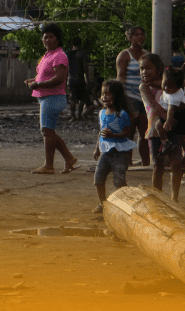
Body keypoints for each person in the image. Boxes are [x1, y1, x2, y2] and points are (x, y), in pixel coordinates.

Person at [27, 23, 79, 174]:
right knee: (49, 131)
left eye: (51, 37)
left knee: (47, 131)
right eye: (45, 37)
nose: (48, 39)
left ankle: (49, 165)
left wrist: (39, 84)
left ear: (58, 39)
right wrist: (33, 81)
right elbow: (45, 75)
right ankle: (69, 159)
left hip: (53, 97)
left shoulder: (60, 55)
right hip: (46, 97)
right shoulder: (47, 55)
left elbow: (59, 78)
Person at [91, 80, 136, 214]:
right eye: (103, 93)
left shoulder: (122, 114)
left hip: (119, 153)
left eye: (108, 94)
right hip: (105, 152)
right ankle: (103, 203)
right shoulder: (102, 113)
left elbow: (128, 133)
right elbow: (101, 132)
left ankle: (125, 205)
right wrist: (97, 148)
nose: (104, 96)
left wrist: (114, 135)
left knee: (119, 181)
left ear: (116, 96)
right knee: (98, 179)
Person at [147, 65, 185, 202]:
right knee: (158, 165)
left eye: (148, 67)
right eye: (142, 68)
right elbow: (158, 107)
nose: (144, 71)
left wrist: (170, 120)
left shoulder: (173, 90)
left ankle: (174, 198)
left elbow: (174, 108)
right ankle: (158, 197)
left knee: (175, 164)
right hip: (156, 131)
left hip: (170, 126)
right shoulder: (146, 87)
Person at [116, 25, 150, 166]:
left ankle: (145, 162)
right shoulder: (125, 55)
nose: (140, 37)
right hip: (130, 96)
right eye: (136, 34)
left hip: (145, 96)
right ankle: (127, 161)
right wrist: (121, 100)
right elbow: (121, 77)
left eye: (142, 34)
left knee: (145, 132)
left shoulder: (147, 54)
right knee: (129, 131)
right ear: (129, 38)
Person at [67, 38, 92, 121]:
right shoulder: (82, 54)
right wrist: (87, 79)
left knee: (72, 98)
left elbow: (66, 68)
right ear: (80, 44)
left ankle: (73, 116)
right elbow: (85, 67)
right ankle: (80, 115)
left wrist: (66, 79)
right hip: (80, 79)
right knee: (82, 98)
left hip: (71, 79)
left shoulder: (68, 54)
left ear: (72, 44)